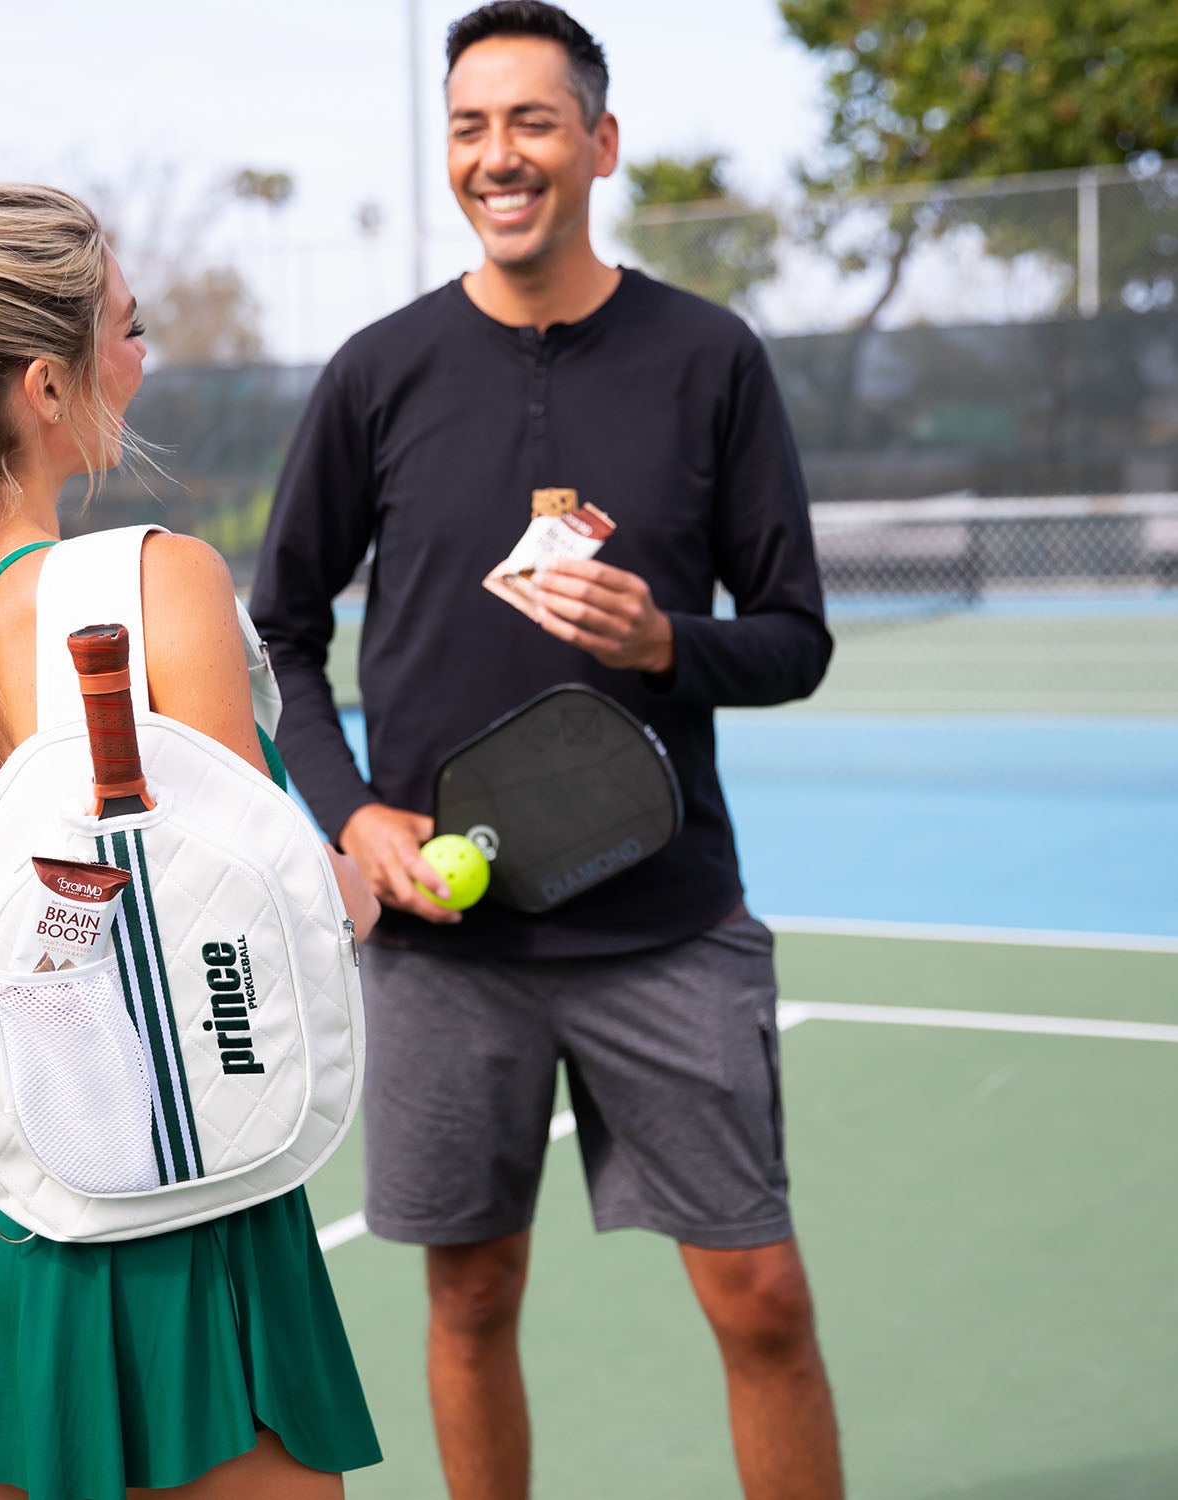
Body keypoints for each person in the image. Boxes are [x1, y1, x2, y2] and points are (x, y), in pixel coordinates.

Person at [247, 4, 843, 1497]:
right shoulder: (378, 373)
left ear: (598, 142)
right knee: (471, 1297)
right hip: (450, 947)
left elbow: (796, 638)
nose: (497, 155)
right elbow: (284, 634)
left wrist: (666, 646)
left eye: (530, 121)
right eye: (469, 126)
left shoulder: (710, 359)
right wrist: (355, 818)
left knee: (760, 1300)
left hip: (669, 923)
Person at [0, 183, 382, 1500]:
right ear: (47, 387)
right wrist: (342, 895)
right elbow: (234, 931)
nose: (142, 357)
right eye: (129, 325)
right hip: (173, 1171)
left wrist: (54, 957)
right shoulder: (158, 582)